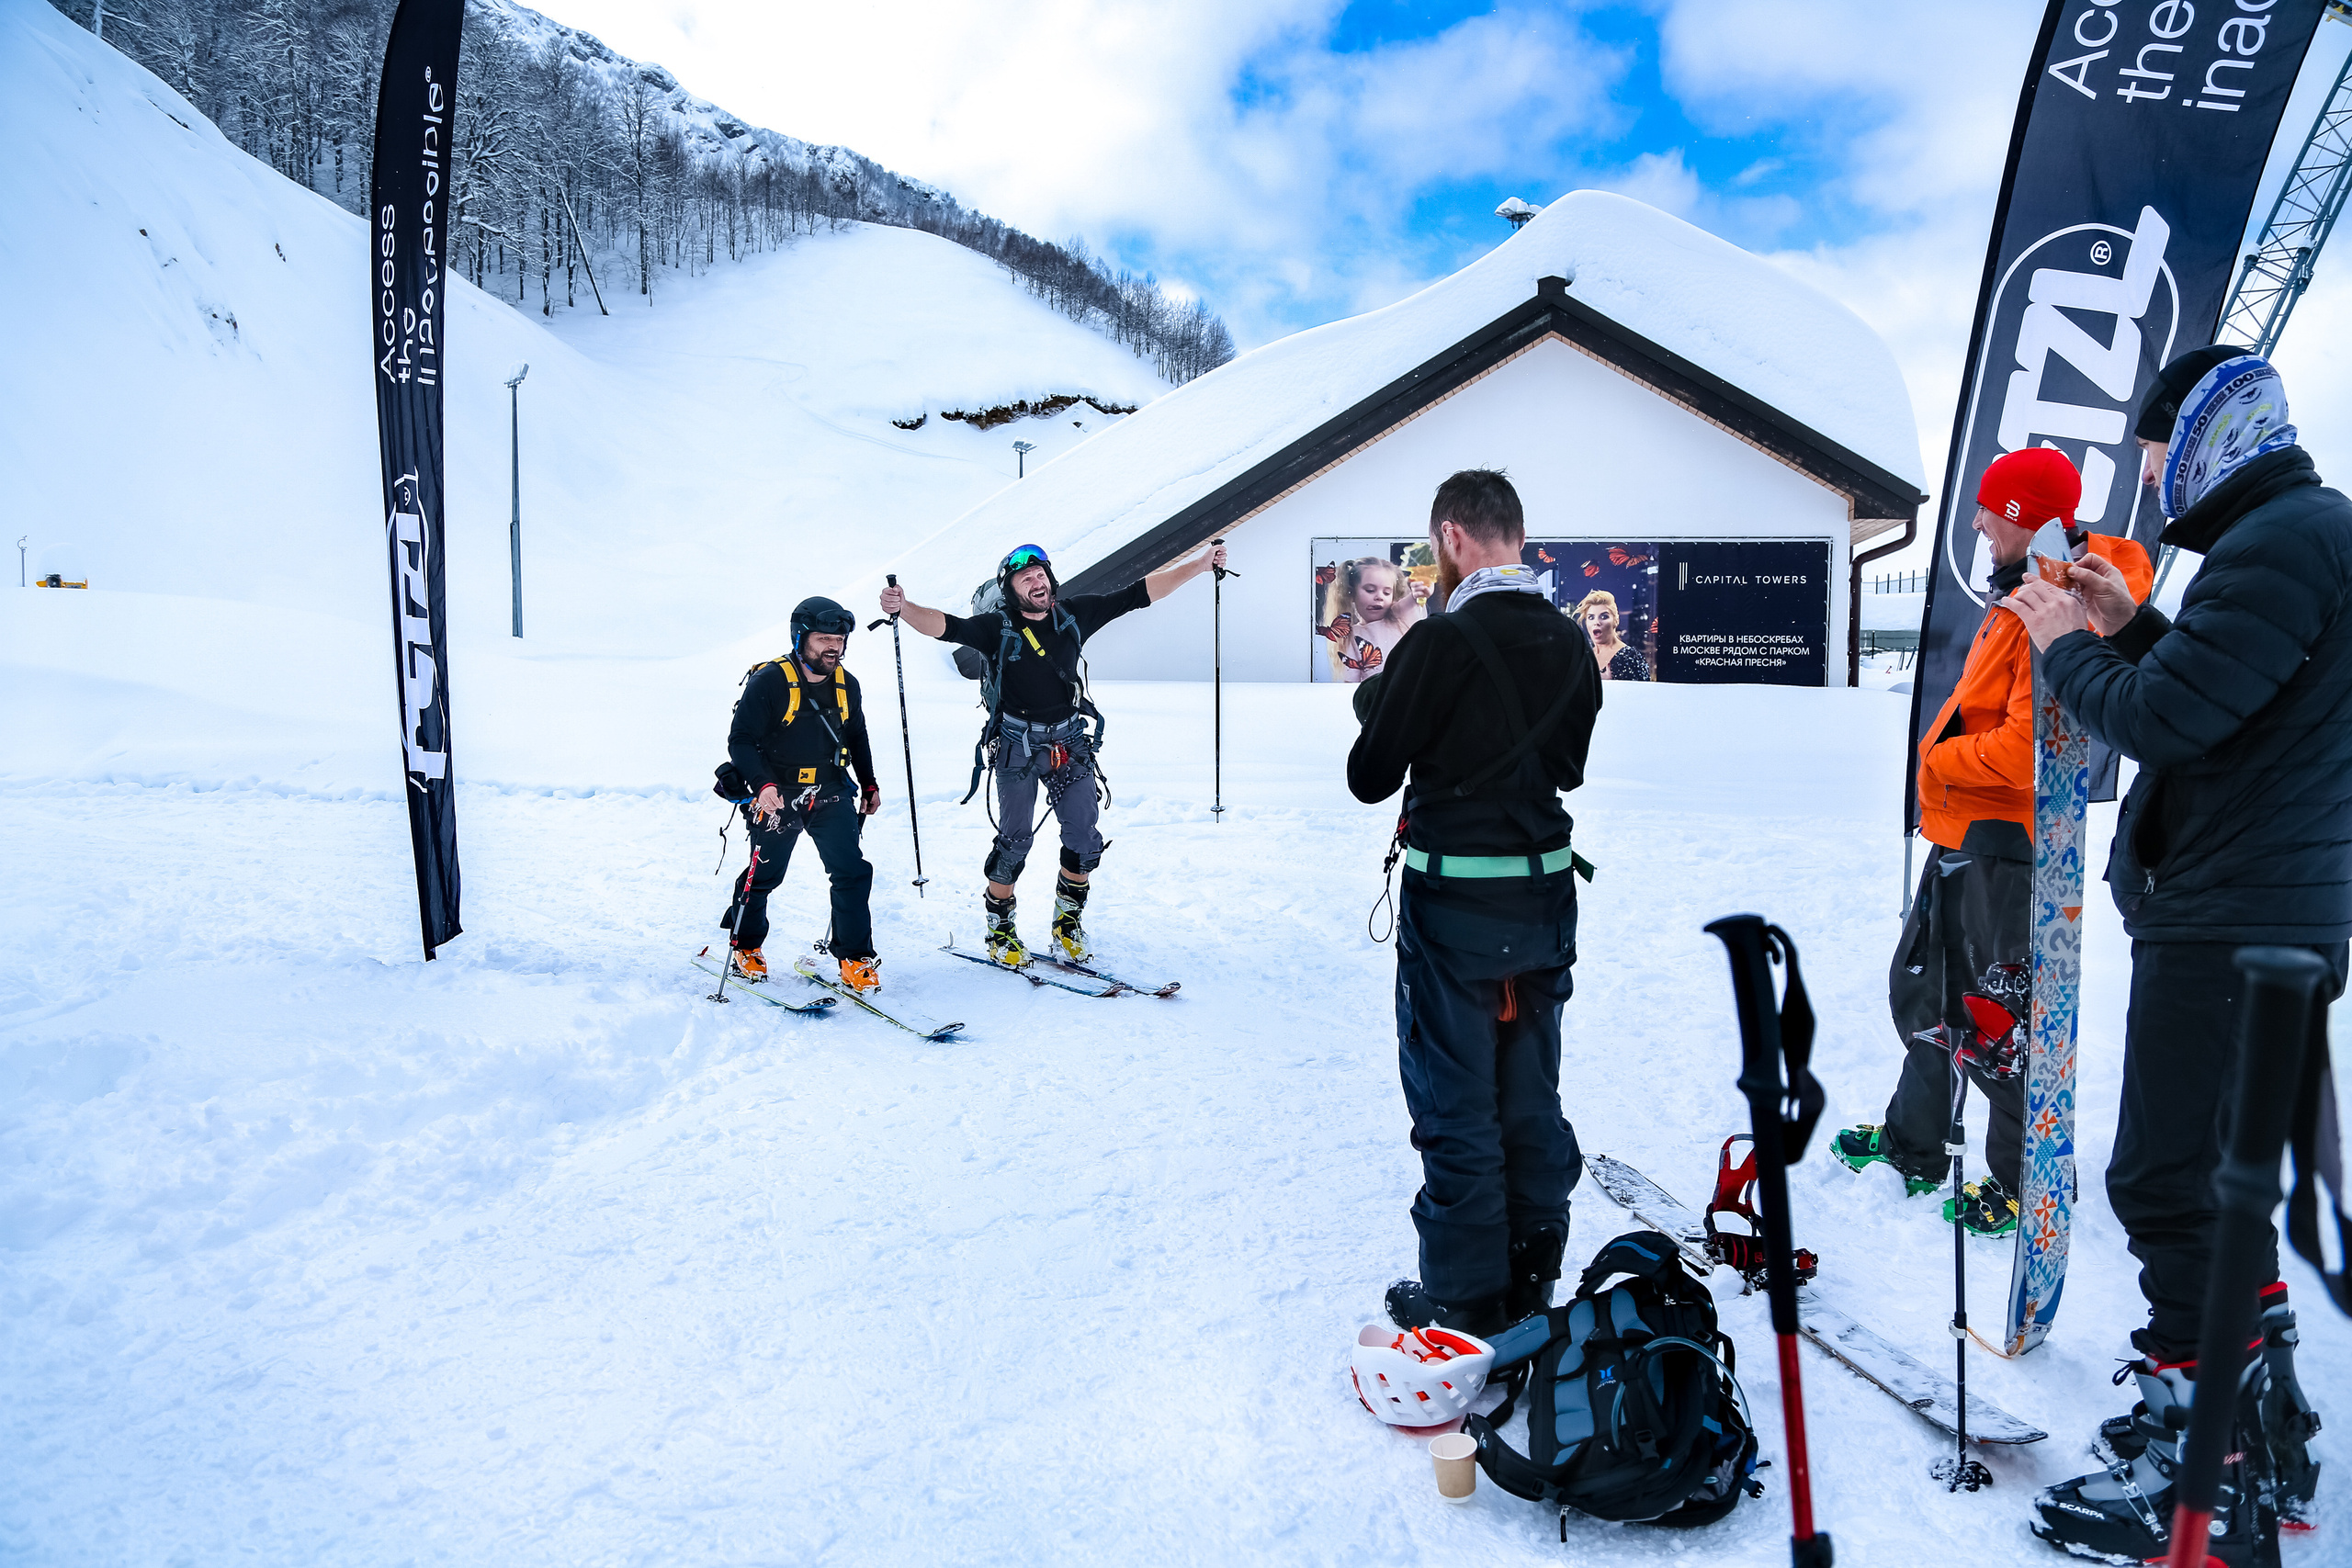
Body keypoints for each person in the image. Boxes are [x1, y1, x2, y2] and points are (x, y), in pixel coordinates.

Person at [2003, 348, 2342, 1559]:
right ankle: (2262, 1431)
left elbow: (2164, 719)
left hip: (2234, 918)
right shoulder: (2294, 536)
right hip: (2267, 910)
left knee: (2167, 1182)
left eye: (2157, 451)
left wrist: (2064, 642)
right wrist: (2130, 622)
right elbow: (2234, 702)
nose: (2151, 477)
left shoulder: (2280, 542)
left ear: (2210, 435)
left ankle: (2207, 1470)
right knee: (2223, 1183)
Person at [1833, 448, 2152, 1238]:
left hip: (2007, 847)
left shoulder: (2053, 603)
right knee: (1926, 995)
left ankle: (2022, 1179)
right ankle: (1916, 1141)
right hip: (1961, 834)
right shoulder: (2019, 590)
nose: (1976, 521)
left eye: (1989, 508)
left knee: (2000, 1020)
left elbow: (2029, 748)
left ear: (2021, 517)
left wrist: (1937, 762)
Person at [1348, 469, 1602, 1336]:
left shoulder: (1438, 642)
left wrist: (1389, 687)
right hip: (1544, 898)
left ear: (1452, 537)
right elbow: (1566, 766)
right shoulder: (1570, 643)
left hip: (1454, 900)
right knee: (1529, 1091)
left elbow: (1370, 775)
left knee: (1455, 1096)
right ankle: (1532, 1276)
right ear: (1515, 537)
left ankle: (1463, 1297)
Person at [877, 539, 1227, 965]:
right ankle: (1000, 931)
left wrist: (1199, 565)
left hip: (1070, 743)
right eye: (1025, 577)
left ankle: (1067, 925)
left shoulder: (1074, 615)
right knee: (1014, 843)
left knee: (1084, 838)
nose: (1036, 580)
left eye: (1040, 573)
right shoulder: (996, 628)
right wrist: (904, 607)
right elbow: (944, 626)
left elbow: (1140, 593)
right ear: (1011, 590)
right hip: (1017, 745)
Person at [723, 596, 884, 992]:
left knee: (851, 871)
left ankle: (855, 958)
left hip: (830, 790)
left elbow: (857, 736)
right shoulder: (770, 681)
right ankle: (746, 946)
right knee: (764, 873)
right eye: (823, 639)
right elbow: (740, 740)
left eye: (839, 640)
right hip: (777, 793)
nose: (833, 647)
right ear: (800, 638)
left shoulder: (847, 685)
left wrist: (869, 783)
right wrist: (762, 784)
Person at [1320, 557, 1412, 682]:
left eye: (1387, 593)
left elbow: (1413, 601)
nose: (1379, 597)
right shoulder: (1351, 635)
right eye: (1370, 590)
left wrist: (1420, 592)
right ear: (1352, 593)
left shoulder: (1401, 621)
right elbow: (1351, 684)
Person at [1576, 590, 1650, 682]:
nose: (1596, 622)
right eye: (1591, 617)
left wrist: (1609, 684)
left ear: (1616, 621)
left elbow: (1643, 690)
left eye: (1604, 617)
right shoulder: (1586, 656)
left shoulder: (1630, 657)